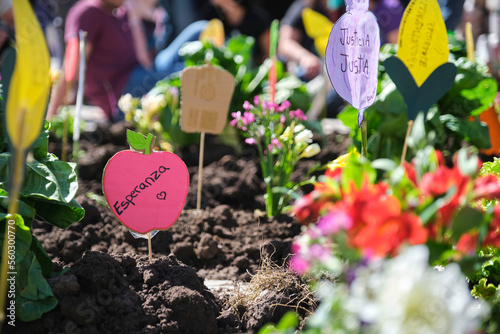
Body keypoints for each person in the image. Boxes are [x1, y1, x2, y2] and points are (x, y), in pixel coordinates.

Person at [47, 0, 206, 122]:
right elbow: (72, 68)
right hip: (122, 90)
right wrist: (51, 115)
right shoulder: (87, 12)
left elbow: (142, 57)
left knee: (200, 29)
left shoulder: (120, 11)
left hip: (142, 70)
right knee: (187, 73)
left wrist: (134, 18)